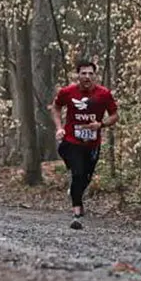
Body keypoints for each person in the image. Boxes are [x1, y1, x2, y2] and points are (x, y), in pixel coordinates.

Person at [48, 60, 118, 230]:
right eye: (83, 73)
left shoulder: (103, 94)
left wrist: (101, 124)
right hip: (72, 140)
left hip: (93, 143)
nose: (87, 77)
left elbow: (114, 115)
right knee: (78, 173)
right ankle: (77, 212)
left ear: (95, 75)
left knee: (86, 177)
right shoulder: (67, 92)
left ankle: (75, 190)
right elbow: (55, 108)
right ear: (77, 75)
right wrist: (59, 128)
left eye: (90, 73)